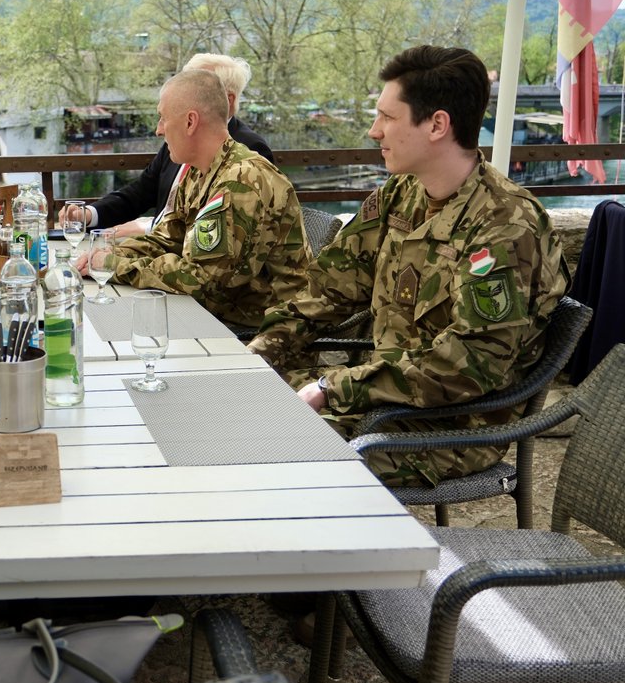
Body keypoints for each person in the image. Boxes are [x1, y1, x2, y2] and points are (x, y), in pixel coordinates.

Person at [248, 45, 569, 487]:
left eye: (388, 117)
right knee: (238, 426)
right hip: (379, 402)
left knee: (281, 463)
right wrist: (256, 357)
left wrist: (332, 387)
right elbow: (324, 292)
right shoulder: (400, 194)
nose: (374, 130)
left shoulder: (504, 226)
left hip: (449, 427)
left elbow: (468, 365)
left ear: (437, 124)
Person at [81, 68, 309, 329]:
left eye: (163, 118)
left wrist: (112, 264)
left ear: (190, 122)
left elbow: (201, 281)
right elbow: (166, 239)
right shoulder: (199, 169)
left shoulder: (241, 181)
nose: (158, 130)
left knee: (131, 338)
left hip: (264, 335)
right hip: (215, 318)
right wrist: (105, 254)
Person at [61, 54, 274, 238]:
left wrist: (141, 233)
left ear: (227, 99)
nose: (159, 130)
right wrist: (89, 215)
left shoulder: (249, 154)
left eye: (196, 84)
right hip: (165, 254)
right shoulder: (181, 139)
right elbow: (142, 192)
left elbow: (212, 252)